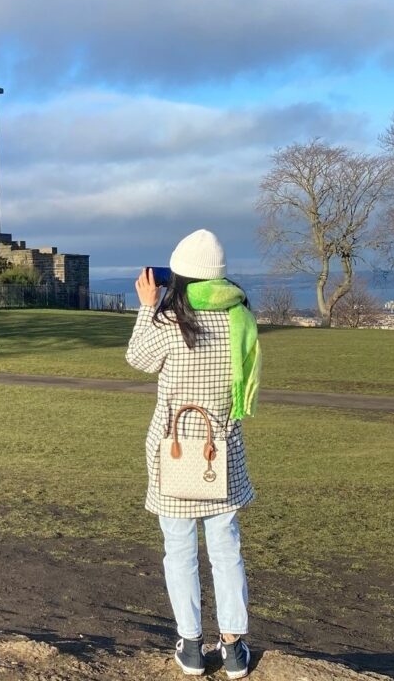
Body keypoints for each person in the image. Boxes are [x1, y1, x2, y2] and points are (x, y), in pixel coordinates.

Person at [125, 229, 260, 679]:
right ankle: (234, 647)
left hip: (174, 452)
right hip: (221, 452)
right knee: (226, 549)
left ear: (179, 278)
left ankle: (191, 645)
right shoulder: (241, 318)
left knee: (180, 550)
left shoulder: (169, 323)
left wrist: (148, 306)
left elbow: (138, 358)